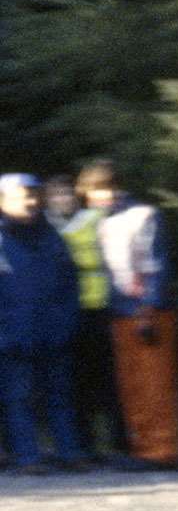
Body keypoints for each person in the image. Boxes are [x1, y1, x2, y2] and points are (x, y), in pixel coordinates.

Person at [78, 161, 178, 469]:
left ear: (116, 187)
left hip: (146, 310)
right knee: (131, 384)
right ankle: (140, 446)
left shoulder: (142, 216)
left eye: (103, 190)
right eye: (92, 193)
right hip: (118, 310)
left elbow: (155, 265)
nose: (98, 198)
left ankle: (161, 449)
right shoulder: (99, 221)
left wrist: (148, 309)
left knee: (155, 384)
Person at [0, 173, 89, 472]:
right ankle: (28, 457)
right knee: (18, 398)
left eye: (33, 195)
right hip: (12, 335)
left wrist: (67, 321)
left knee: (60, 395)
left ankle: (69, 452)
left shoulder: (51, 235)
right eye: (20, 196)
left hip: (53, 331)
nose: (29, 202)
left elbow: (69, 282)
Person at [58, 177, 129, 461]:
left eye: (66, 194)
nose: (62, 200)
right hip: (67, 309)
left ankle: (120, 443)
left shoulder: (95, 220)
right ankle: (85, 444)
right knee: (77, 382)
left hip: (100, 306)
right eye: (56, 196)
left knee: (110, 378)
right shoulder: (47, 226)